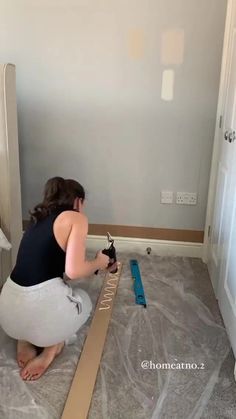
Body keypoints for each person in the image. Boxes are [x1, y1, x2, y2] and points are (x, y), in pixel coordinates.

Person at [0, 177, 110, 381]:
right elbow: (74, 272)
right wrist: (99, 262)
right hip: (42, 315)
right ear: (78, 201)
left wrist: (91, 264)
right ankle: (52, 349)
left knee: (52, 288)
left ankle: (23, 340)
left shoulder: (38, 220)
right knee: (83, 300)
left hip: (8, 312)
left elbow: (56, 269)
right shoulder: (76, 218)